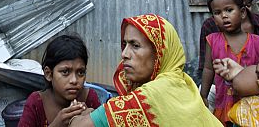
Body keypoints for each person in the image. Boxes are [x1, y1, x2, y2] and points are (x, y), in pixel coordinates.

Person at [70, 14, 221, 127]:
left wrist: (76, 117)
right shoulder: (181, 85)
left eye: (135, 46)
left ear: (159, 54)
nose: (124, 54)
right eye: (125, 44)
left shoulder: (156, 93)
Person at [200, 0, 259, 124]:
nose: (224, 16)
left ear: (242, 12)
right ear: (213, 18)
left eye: (229, 10)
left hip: (253, 104)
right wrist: (203, 96)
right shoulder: (212, 40)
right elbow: (208, 69)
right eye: (217, 13)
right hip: (224, 102)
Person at [18, 35, 101, 127]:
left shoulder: (89, 98)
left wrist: (92, 120)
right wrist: (57, 124)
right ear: (49, 74)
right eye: (65, 72)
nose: (74, 80)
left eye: (80, 72)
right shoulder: (36, 102)